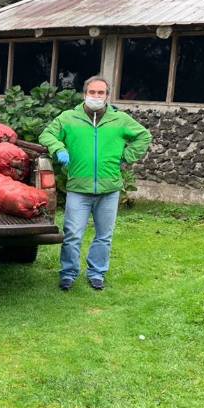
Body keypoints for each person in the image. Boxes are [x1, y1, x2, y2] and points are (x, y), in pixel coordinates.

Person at [39, 76, 152, 291]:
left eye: (101, 93)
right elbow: (47, 134)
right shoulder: (69, 118)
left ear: (107, 96)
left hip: (109, 189)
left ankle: (97, 273)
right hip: (78, 189)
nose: (96, 96)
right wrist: (59, 149)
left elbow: (144, 136)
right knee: (72, 234)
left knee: (104, 236)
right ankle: (68, 273)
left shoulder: (119, 120)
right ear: (84, 94)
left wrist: (127, 156)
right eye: (92, 92)